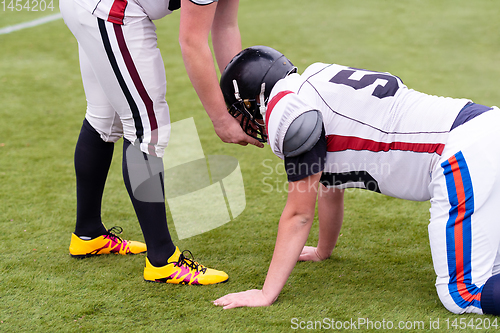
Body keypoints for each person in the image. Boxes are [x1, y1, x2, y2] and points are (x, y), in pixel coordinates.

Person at [213, 45, 500, 314]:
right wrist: (323, 250)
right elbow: (329, 184)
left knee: (462, 292)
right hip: (483, 127)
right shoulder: (314, 78)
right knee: (493, 270)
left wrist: (265, 294)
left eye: (239, 111)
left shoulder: (288, 110)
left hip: (460, 152)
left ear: (252, 99)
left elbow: (299, 214)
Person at [59, 0, 262, 285]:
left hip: (90, 6)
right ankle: (162, 260)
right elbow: (192, 43)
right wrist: (221, 119)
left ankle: (88, 234)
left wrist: (239, 101)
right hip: (110, 10)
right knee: (147, 130)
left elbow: (224, 24)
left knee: (104, 118)